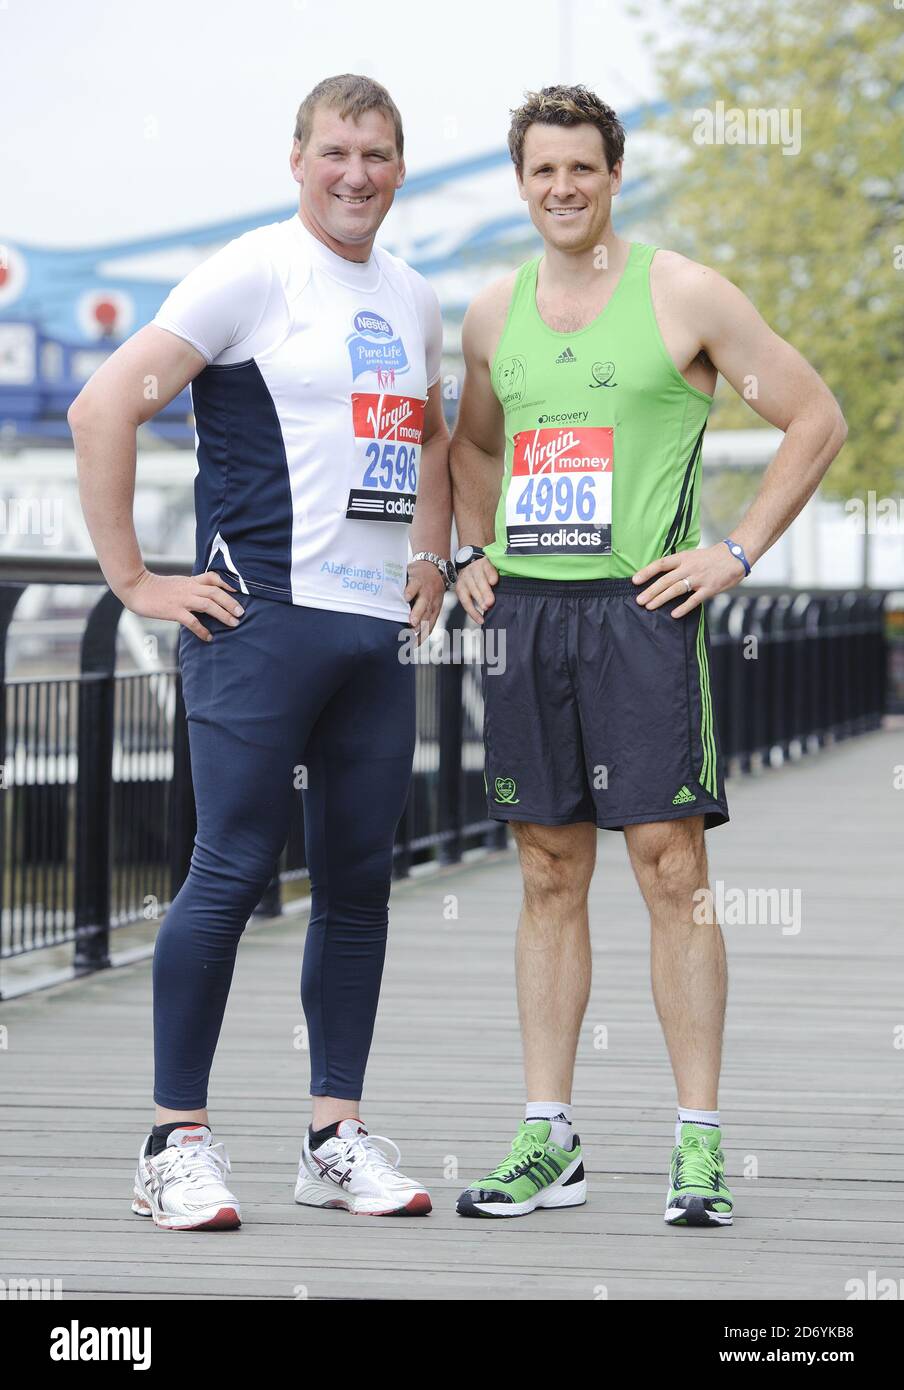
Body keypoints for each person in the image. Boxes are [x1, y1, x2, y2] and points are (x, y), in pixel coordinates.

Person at [449, 85, 846, 1225]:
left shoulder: (683, 292)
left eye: (582, 168)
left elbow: (813, 417)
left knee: (672, 870)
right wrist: (473, 547)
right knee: (544, 870)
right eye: (541, 172)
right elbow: (471, 445)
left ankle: (699, 1146)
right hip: (528, 618)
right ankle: (548, 1140)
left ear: (614, 175)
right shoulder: (492, 315)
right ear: (520, 183)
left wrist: (735, 548)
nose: (562, 189)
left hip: (641, 614)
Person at [69, 74, 453, 1229]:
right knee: (230, 870)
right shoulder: (250, 273)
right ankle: (171, 1141)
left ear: (399, 165)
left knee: (358, 886)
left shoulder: (416, 294)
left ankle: (334, 1136)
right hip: (258, 624)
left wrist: (435, 553)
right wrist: (132, 579)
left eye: (377, 154)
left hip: (375, 634)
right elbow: (102, 407)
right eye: (336, 151)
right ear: (297, 159)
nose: (356, 174)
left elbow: (428, 437)